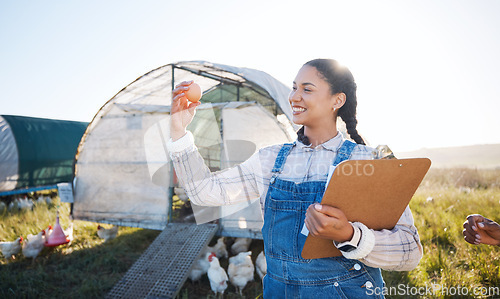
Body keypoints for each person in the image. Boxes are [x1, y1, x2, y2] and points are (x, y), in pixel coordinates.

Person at [167, 59, 423, 298]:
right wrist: (179, 131)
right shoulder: (268, 160)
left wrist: (350, 235)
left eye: (307, 89)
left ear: (337, 100)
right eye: (293, 88)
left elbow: (409, 251)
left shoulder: (368, 161)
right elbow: (204, 191)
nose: (294, 96)